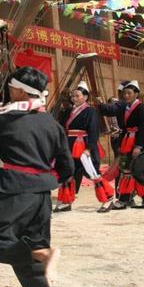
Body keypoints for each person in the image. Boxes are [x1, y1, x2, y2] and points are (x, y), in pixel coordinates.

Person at [0, 67, 74, 287]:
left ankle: (44, 255)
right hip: (42, 194)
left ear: (18, 90)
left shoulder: (7, 116)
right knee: (28, 242)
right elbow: (67, 167)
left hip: (14, 190)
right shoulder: (51, 122)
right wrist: (44, 180)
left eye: (11, 86)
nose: (9, 89)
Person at [53, 81, 113, 213]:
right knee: (68, 172)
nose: (74, 98)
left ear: (85, 97)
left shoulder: (90, 111)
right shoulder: (69, 110)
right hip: (70, 144)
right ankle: (66, 201)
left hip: (84, 145)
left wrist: (89, 148)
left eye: (77, 95)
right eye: (73, 96)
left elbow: (93, 130)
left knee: (92, 172)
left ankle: (108, 199)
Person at [98, 80, 144, 210]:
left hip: (138, 142)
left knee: (134, 171)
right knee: (126, 170)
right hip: (127, 140)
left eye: (129, 93)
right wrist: (100, 104)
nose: (126, 96)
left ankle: (128, 200)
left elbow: (143, 128)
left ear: (136, 94)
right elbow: (110, 111)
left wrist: (138, 146)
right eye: (125, 93)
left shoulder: (142, 108)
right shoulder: (124, 107)